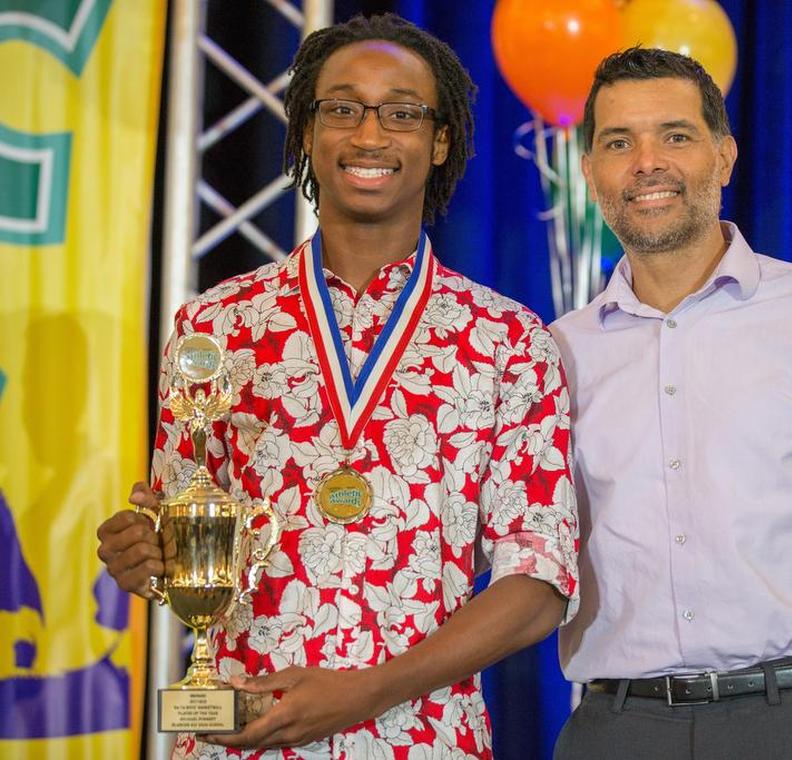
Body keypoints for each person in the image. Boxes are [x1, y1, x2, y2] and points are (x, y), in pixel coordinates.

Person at [96, 14, 578, 758]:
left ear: (440, 140)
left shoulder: (507, 341)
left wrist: (367, 690)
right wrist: (147, 558)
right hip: (243, 736)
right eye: (344, 108)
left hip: (424, 739)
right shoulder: (215, 327)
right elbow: (188, 543)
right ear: (306, 131)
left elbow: (539, 579)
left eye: (402, 113)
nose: (370, 135)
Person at [550, 48, 792, 760]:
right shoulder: (555, 353)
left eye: (675, 135)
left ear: (725, 156)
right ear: (589, 171)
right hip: (617, 728)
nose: (647, 163)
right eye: (618, 143)